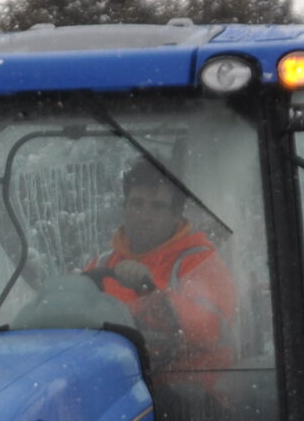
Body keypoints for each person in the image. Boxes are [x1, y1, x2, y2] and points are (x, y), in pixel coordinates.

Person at [84, 158, 237, 372]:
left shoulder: (199, 262)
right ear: (125, 207)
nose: (144, 216)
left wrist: (155, 295)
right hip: (117, 380)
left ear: (176, 215)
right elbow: (73, 312)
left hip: (189, 388)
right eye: (137, 203)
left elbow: (210, 328)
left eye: (157, 207)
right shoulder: (102, 264)